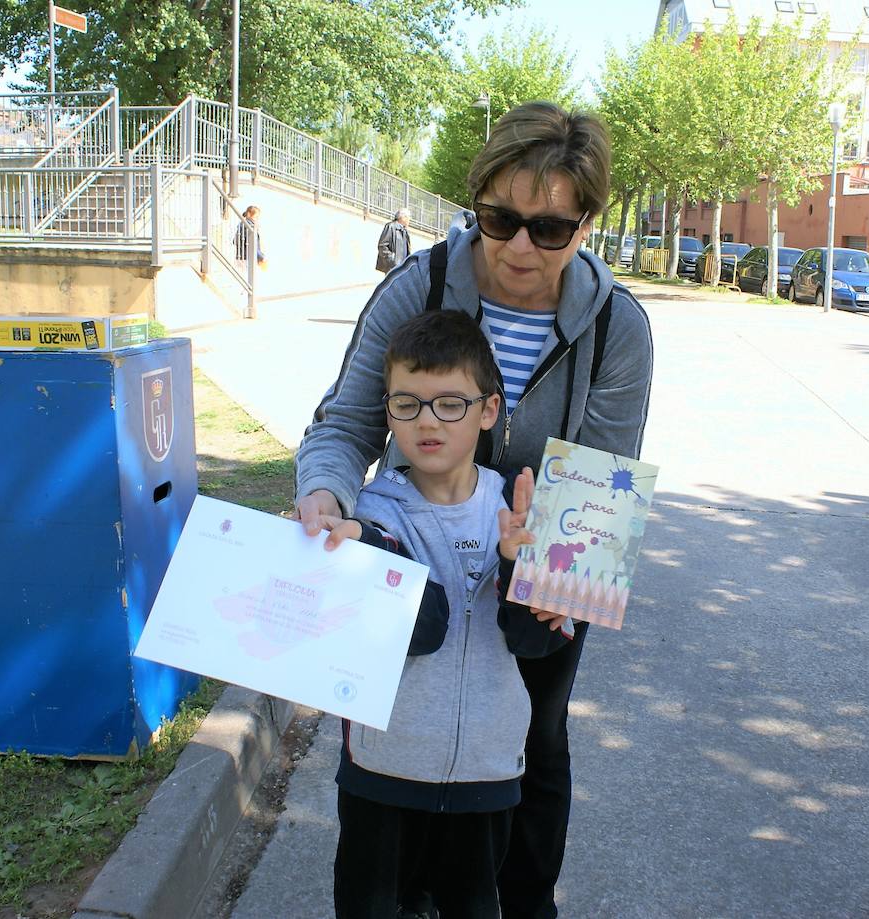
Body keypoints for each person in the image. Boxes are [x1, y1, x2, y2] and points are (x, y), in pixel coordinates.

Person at [296, 100, 655, 919]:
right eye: (499, 218)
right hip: (410, 555)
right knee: (402, 742)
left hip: (536, 557)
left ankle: (524, 905)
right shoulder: (416, 286)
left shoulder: (617, 328)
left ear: (587, 222)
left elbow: (604, 483)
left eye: (551, 228)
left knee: (536, 740)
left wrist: (546, 582)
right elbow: (346, 421)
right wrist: (325, 493)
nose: (520, 247)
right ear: (477, 201)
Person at [321, 309, 571, 919]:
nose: (427, 420)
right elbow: (423, 628)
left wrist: (519, 569)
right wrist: (370, 551)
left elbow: (534, 646)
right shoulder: (371, 514)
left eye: (449, 404)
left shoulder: (520, 510)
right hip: (383, 769)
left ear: (488, 411)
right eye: (406, 403)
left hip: (487, 773)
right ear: (387, 412)